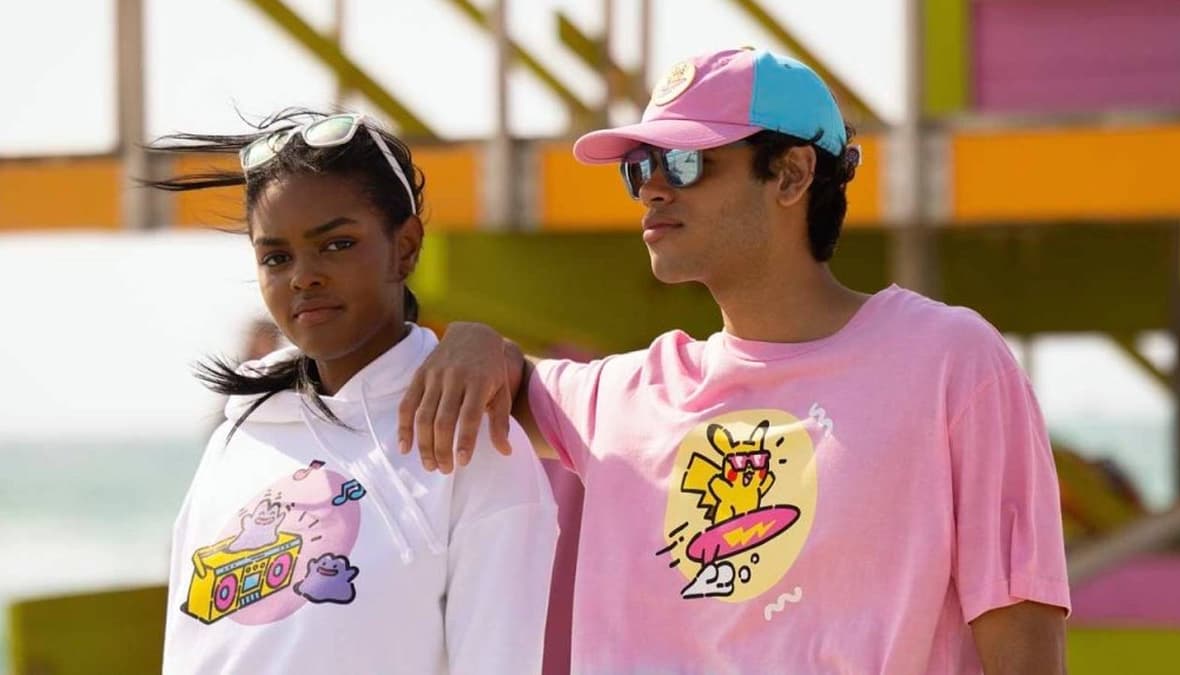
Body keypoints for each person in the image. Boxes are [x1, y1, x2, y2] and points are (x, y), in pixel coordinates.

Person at [396, 48, 1071, 674]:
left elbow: (1022, 631)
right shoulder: (623, 396)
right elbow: (504, 382)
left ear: (791, 173)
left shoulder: (951, 361)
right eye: (640, 168)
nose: (653, 189)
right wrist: (474, 338)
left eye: (688, 162)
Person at [149, 110, 558, 674]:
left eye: (337, 244)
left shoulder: (473, 439)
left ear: (406, 247)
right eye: (276, 257)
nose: (303, 276)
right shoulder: (238, 439)